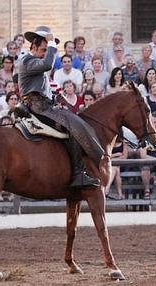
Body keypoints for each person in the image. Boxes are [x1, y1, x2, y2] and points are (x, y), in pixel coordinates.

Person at [18, 26, 101, 188]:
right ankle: (78, 174)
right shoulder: (27, 61)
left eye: (45, 50)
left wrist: (57, 97)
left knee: (74, 119)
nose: (44, 54)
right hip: (36, 105)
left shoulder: (35, 62)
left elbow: (40, 87)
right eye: (42, 50)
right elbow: (48, 64)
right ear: (33, 47)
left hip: (43, 103)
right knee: (72, 125)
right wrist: (51, 44)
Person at [105, 133, 128, 200]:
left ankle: (106, 190)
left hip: (122, 165)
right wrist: (117, 154)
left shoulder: (124, 142)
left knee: (115, 167)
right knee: (116, 170)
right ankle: (120, 194)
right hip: (110, 165)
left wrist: (112, 157)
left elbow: (124, 156)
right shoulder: (108, 142)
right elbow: (106, 155)